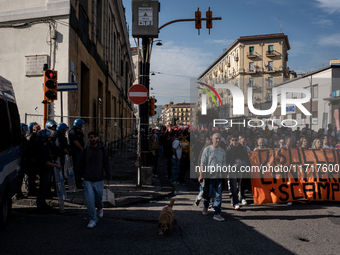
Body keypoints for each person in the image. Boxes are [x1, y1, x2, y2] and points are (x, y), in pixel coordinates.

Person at [79, 131, 111, 229]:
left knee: (98, 198)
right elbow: (81, 164)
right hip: (88, 178)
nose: (93, 139)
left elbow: (106, 163)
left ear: (97, 138)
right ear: (88, 139)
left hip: (99, 179)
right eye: (91, 137)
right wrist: (79, 178)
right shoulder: (85, 151)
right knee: (89, 200)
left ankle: (100, 207)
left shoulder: (102, 150)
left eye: (94, 137)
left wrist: (109, 177)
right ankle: (92, 219)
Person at [199, 133, 226, 221]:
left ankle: (217, 214)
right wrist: (201, 175)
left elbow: (224, 164)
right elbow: (202, 163)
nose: (218, 140)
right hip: (210, 176)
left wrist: (225, 176)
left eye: (219, 139)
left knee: (218, 195)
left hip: (219, 176)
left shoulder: (222, 151)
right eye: (216, 139)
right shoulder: (207, 150)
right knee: (209, 194)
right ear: (212, 139)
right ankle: (206, 206)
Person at [36, 129, 62, 212]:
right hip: (44, 170)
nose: (50, 138)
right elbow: (45, 161)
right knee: (43, 188)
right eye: (48, 137)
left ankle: (43, 204)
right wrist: (55, 165)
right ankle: (40, 206)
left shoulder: (46, 145)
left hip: (48, 170)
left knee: (45, 188)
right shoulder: (40, 147)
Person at [69, 119, 85, 188]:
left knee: (81, 167)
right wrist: (81, 149)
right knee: (77, 167)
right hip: (75, 152)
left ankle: (79, 180)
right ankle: (77, 182)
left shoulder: (80, 132)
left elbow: (82, 140)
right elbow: (75, 141)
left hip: (80, 152)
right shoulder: (73, 132)